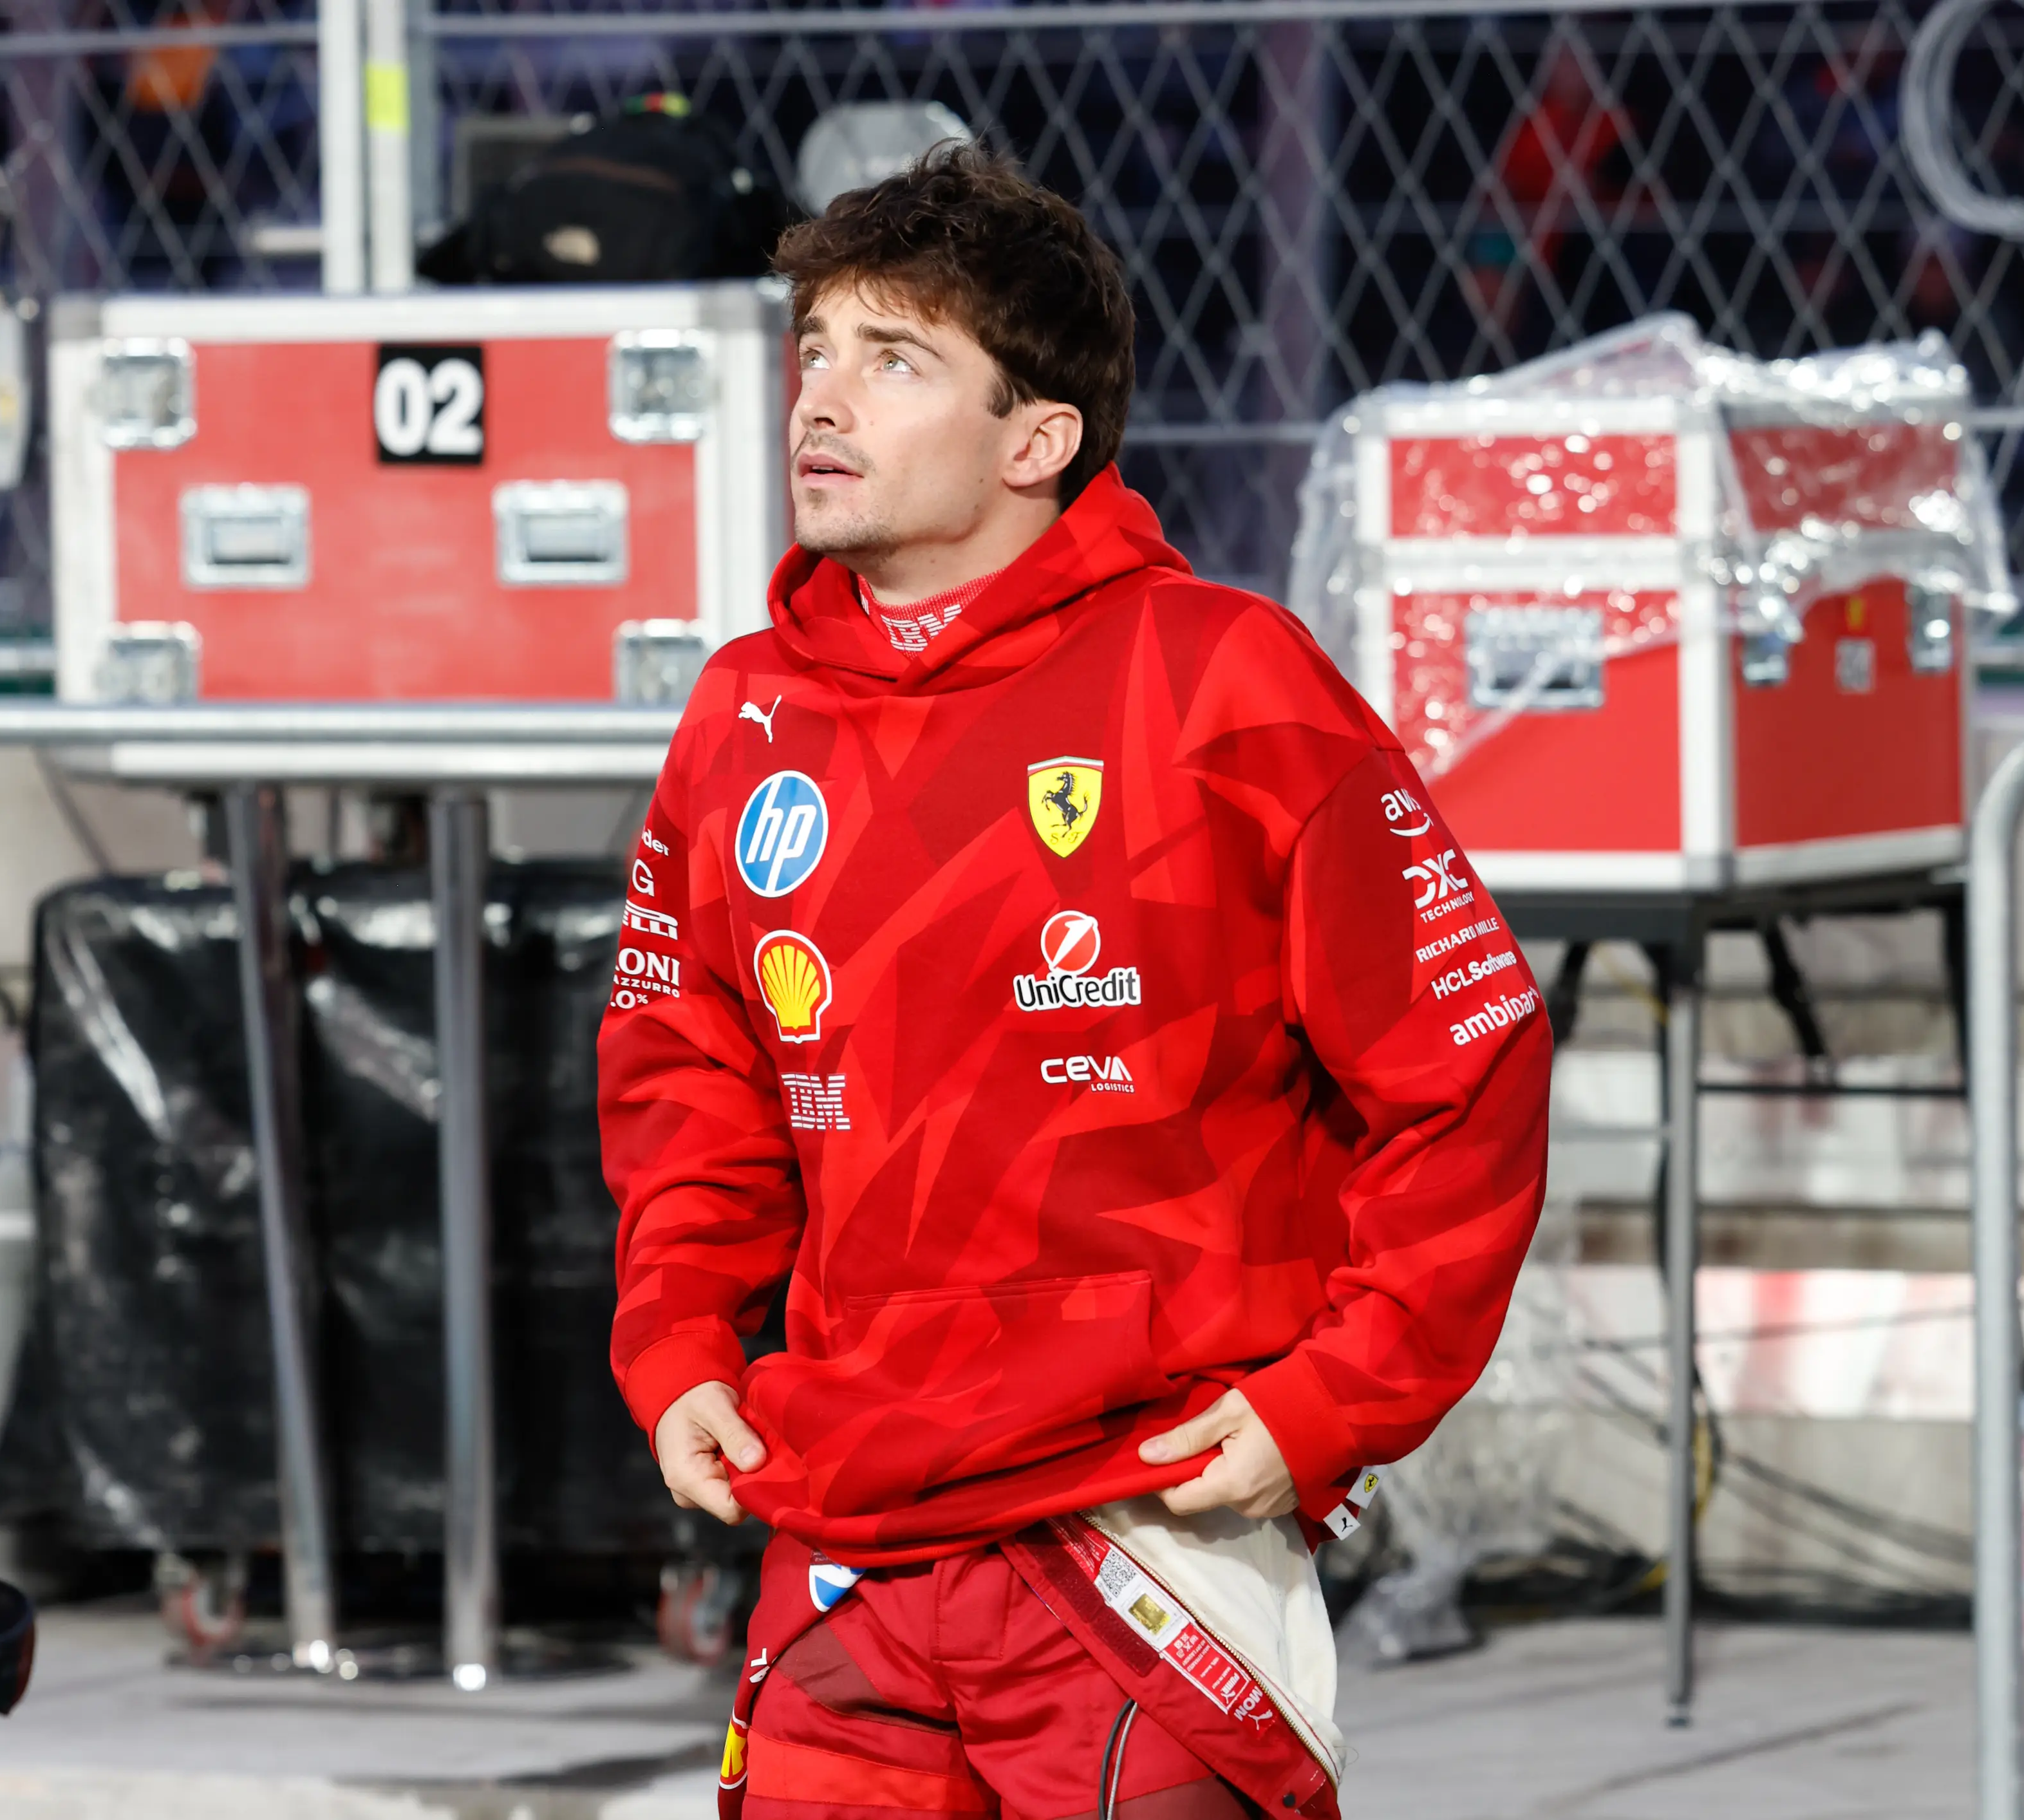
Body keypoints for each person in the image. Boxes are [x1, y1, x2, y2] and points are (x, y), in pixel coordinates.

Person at [599, 142, 1551, 1820]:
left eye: (897, 359)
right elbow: (690, 1075)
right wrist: (679, 1343)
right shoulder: (744, 713)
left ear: (1036, 440)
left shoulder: (1225, 679)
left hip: (1143, 1532)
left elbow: (1464, 1061)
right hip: (844, 1528)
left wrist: (1334, 1397)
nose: (823, 395)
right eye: (816, 347)